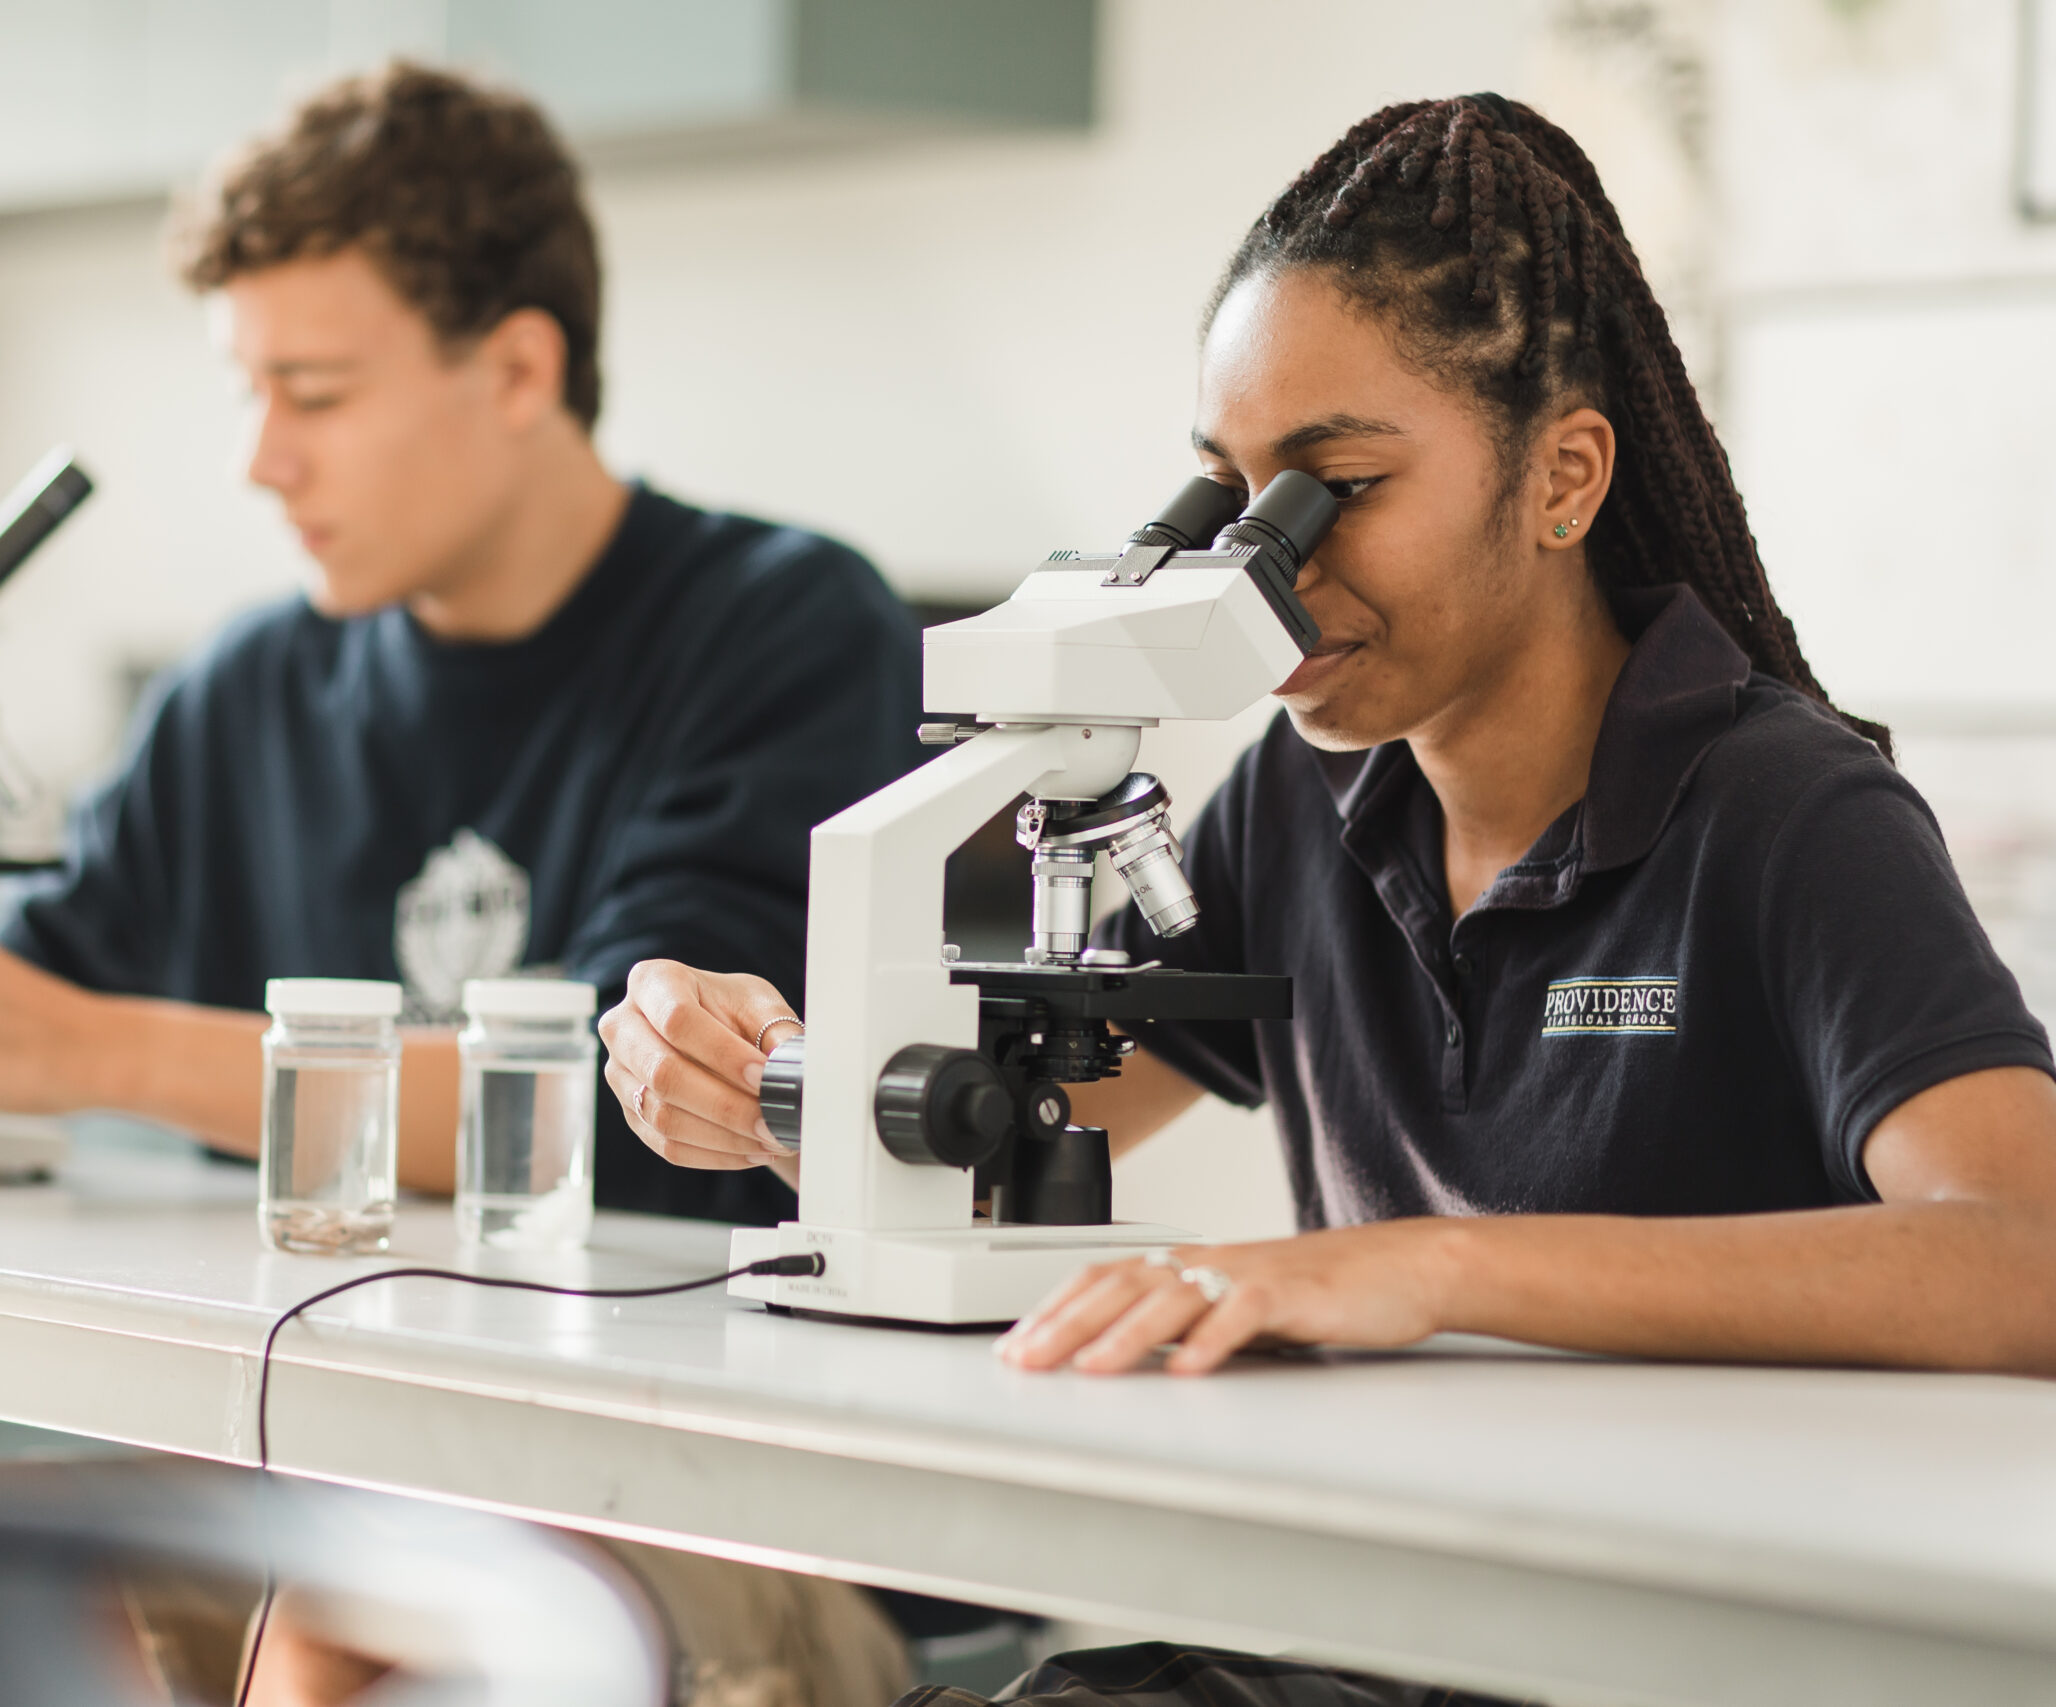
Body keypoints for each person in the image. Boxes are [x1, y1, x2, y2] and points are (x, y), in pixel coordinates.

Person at [599, 92, 2056, 1707]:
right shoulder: (1307, 797)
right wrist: (772, 1085)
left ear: (1562, 477)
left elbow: (2025, 1256)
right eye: (1229, 496)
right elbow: (1009, 1148)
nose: (1261, 577)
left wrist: (1434, 1265)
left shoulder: (1783, 808)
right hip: (1399, 1620)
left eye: (1333, 486)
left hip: (1705, 1647)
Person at [0, 63, 922, 1225]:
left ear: (520, 370)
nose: (261, 461)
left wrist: (82, 1048)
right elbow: (22, 1004)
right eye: (246, 391)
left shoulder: (788, 631)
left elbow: (635, 1113)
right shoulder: (240, 691)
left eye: (313, 394)